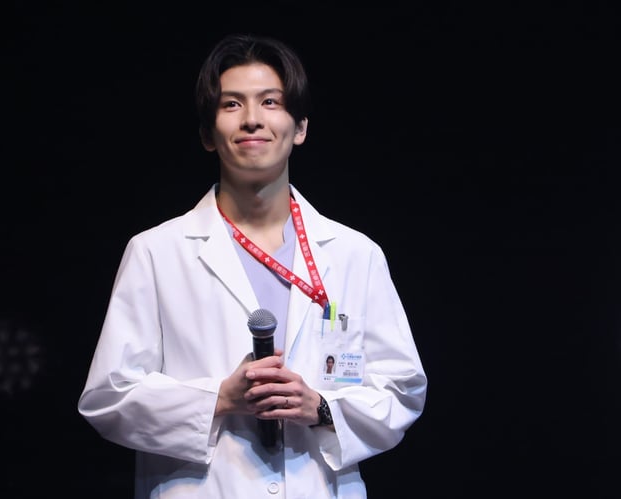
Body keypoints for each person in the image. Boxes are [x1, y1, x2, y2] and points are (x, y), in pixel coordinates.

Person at [77, 33, 427, 499]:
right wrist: (219, 399)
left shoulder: (354, 253)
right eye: (231, 104)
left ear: (300, 127)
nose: (252, 119)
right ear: (207, 134)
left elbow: (401, 389)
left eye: (270, 102)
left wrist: (321, 407)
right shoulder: (157, 252)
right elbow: (108, 399)